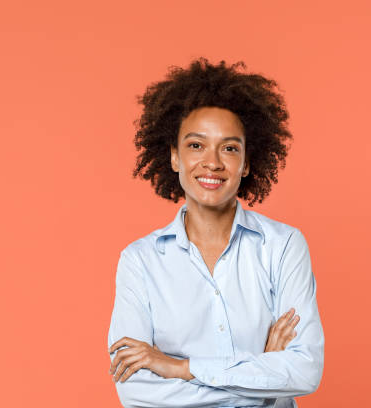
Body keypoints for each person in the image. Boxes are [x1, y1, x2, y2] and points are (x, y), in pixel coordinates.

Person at [107, 57, 324, 408]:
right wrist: (263, 383)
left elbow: (304, 370)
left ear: (247, 162)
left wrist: (179, 368)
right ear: (175, 157)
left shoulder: (283, 247)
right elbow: (135, 390)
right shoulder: (140, 261)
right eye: (196, 145)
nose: (213, 162)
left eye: (229, 148)